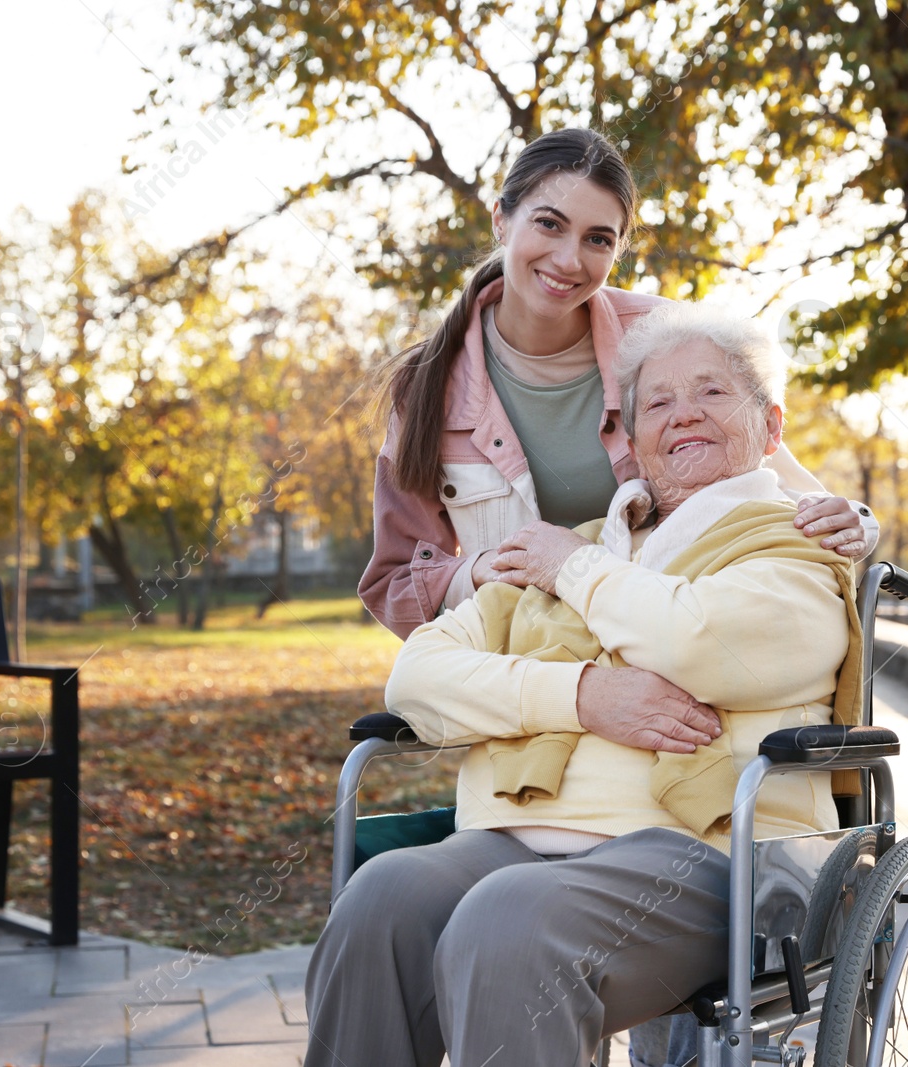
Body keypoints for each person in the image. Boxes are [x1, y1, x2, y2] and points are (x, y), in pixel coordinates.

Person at [305, 304, 866, 1067]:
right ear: (632, 445)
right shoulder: (582, 550)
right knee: (382, 901)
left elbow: (696, 639)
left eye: (712, 393)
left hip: (709, 859)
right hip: (518, 839)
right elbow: (418, 678)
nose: (684, 415)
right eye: (658, 403)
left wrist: (572, 569)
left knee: (508, 922)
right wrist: (580, 696)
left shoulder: (793, 548)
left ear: (771, 429)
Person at [359, 127, 877, 651]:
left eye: (597, 239)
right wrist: (483, 571)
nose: (569, 260)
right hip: (524, 664)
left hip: (670, 645)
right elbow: (392, 584)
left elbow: (779, 484)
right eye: (548, 224)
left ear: (617, 250)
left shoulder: (663, 339)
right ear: (501, 220)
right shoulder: (427, 386)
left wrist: (854, 521)